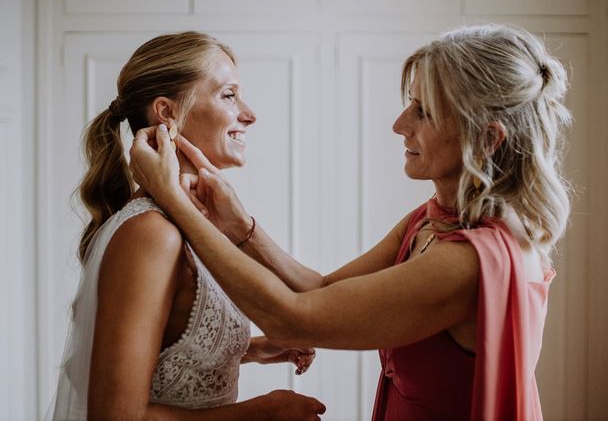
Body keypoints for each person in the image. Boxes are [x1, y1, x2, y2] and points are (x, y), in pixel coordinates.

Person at [129, 24, 572, 420]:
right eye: (410, 104)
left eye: (424, 112)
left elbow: (293, 319)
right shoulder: (429, 221)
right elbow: (320, 291)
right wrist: (241, 226)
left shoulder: (472, 262)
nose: (400, 125)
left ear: (487, 139)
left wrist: (176, 200)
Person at [47, 32, 326, 421]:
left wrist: (250, 349)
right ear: (167, 112)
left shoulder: (188, 221)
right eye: (229, 95)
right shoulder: (152, 233)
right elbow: (115, 416)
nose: (249, 113)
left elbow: (160, 350)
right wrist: (262, 413)